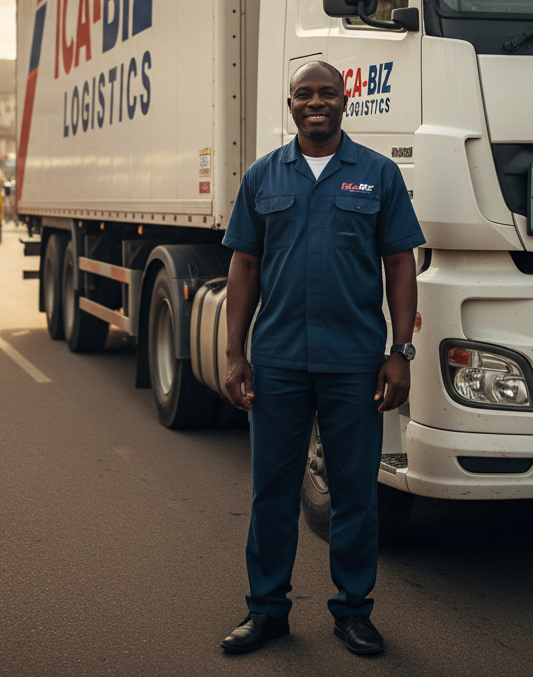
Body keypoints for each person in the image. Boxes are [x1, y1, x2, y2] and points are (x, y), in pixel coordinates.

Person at [220, 60, 424, 657]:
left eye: (327, 93)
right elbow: (244, 267)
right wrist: (235, 355)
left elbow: (399, 265)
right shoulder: (263, 177)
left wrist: (400, 352)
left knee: (355, 492)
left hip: (354, 361)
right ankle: (266, 611)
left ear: (344, 102)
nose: (316, 102)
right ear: (290, 106)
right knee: (272, 492)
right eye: (304, 94)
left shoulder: (378, 175)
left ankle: (353, 612)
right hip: (279, 358)